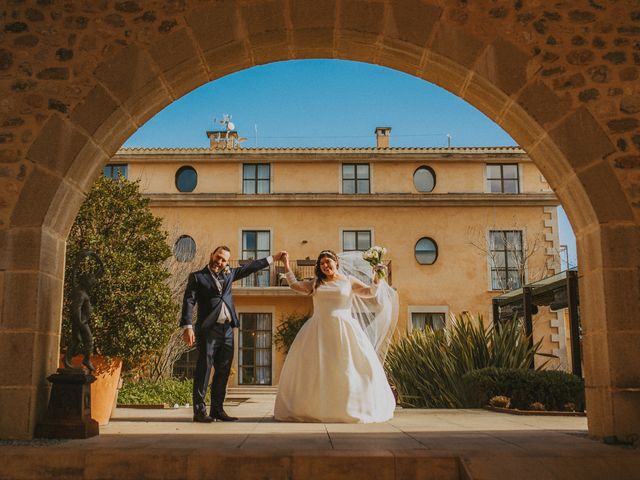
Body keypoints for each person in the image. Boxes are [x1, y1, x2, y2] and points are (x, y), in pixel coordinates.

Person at [274, 249, 398, 423]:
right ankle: (314, 409)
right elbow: (295, 285)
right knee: (315, 369)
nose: (325, 265)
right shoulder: (316, 283)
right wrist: (286, 264)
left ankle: (352, 407)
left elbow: (370, 292)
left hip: (345, 329)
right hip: (317, 330)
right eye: (322, 263)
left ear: (336, 263)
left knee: (349, 368)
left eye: (328, 262)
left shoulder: (349, 281)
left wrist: (378, 277)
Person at [182, 245, 286, 423]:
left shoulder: (229, 274)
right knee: (204, 370)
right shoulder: (198, 277)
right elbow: (189, 301)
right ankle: (199, 412)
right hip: (208, 330)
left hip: (227, 330)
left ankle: (217, 410)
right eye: (218, 257)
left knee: (223, 371)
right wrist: (187, 326)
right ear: (212, 255)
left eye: (224, 260)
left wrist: (273, 258)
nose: (220, 262)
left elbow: (250, 268)